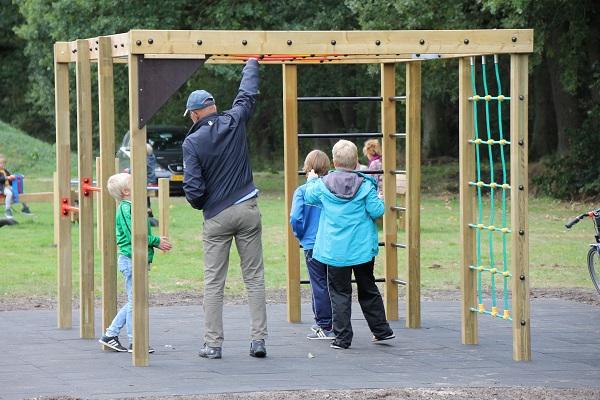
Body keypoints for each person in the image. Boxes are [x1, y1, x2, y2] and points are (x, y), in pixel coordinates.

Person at [182, 58, 267, 360]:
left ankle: (213, 344)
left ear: (194, 114)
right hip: (247, 206)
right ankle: (258, 341)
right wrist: (252, 63)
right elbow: (247, 93)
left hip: (217, 216)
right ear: (214, 107)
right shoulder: (234, 120)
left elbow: (192, 189)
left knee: (214, 282)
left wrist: (205, 205)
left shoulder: (192, 143)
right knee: (254, 277)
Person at [304, 140, 394, 350]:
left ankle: (343, 338)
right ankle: (381, 330)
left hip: (335, 252)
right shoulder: (365, 185)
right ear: (356, 163)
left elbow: (308, 196)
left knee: (339, 292)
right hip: (361, 250)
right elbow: (377, 211)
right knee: (368, 287)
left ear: (334, 162)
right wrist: (379, 198)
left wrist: (311, 180)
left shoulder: (322, 186)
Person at [98, 173, 172, 353]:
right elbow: (135, 234)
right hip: (130, 259)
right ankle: (134, 341)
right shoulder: (125, 208)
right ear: (126, 191)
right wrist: (156, 241)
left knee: (135, 300)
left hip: (137, 258)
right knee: (135, 301)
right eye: (134, 182)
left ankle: (111, 335)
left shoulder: (133, 207)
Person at [290, 150, 334, 340]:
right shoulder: (332, 189)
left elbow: (295, 217)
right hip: (332, 241)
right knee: (335, 284)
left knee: (319, 284)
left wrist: (301, 235)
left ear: (307, 169)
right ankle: (339, 323)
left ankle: (324, 325)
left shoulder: (302, 191)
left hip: (311, 243)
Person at [0, 154, 33, 218]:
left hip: (7, 187)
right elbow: (2, 179)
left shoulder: (5, 170)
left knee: (20, 192)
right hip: (1, 188)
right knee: (9, 193)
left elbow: (11, 176)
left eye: (3, 163)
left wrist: (17, 177)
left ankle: (25, 208)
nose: (2, 165)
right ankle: (7, 210)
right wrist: (7, 178)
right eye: (0, 163)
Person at [146, 143, 159, 227]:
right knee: (146, 198)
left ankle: (148, 210)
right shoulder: (151, 157)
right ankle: (148, 210)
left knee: (144, 198)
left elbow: (148, 171)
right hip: (149, 180)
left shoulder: (147, 159)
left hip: (146, 181)